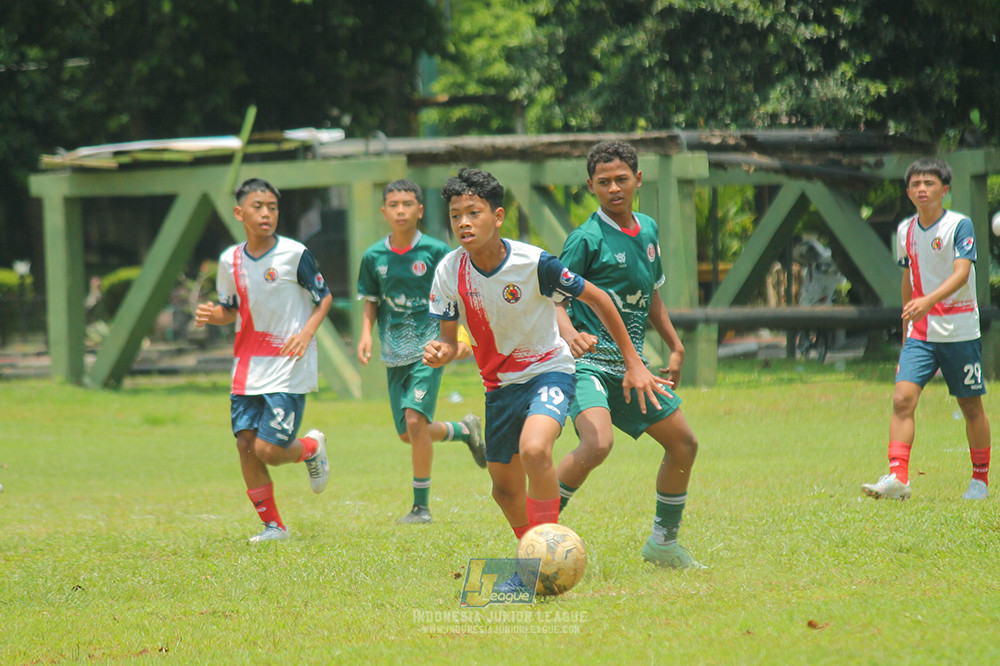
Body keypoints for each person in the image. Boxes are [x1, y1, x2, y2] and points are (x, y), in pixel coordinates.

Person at [423, 167, 670, 543]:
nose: (463, 223)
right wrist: (443, 352)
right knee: (503, 490)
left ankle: (547, 551)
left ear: (498, 216)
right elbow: (451, 340)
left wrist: (634, 362)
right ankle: (534, 552)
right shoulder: (448, 271)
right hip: (499, 387)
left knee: (536, 449)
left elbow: (599, 298)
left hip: (549, 371)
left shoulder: (534, 263)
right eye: (456, 216)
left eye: (474, 212)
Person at [554, 140, 705, 569]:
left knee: (684, 443)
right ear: (591, 187)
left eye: (622, 179)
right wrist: (569, 335)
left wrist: (675, 346)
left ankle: (662, 543)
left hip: (631, 367)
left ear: (638, 179)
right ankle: (536, 531)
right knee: (598, 442)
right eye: (604, 182)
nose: (614, 188)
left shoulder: (649, 229)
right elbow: (554, 299)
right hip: (587, 364)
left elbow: (650, 296)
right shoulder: (584, 239)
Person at [195, 178, 333, 543]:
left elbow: (324, 298)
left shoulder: (294, 253)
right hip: (247, 369)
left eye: (272, 207)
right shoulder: (231, 260)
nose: (266, 213)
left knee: (269, 450)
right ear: (240, 213)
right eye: (258, 207)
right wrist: (214, 315)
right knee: (245, 445)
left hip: (288, 366)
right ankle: (274, 526)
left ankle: (311, 447)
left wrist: (306, 333)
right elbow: (230, 310)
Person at [357, 179, 486, 525]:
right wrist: (366, 335)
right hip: (394, 351)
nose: (401, 211)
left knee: (415, 422)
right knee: (407, 433)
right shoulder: (373, 257)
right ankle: (463, 430)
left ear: (420, 210)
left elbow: (455, 298)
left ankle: (421, 507)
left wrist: (459, 339)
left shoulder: (434, 252)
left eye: (408, 204)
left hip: (430, 346)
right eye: (395, 205)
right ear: (384, 212)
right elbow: (371, 301)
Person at [862, 157, 991, 501]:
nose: (922, 189)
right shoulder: (905, 230)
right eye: (916, 184)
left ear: (944, 190)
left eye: (930, 183)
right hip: (921, 331)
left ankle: (980, 480)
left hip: (960, 330)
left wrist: (928, 301)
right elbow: (908, 279)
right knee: (903, 399)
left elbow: (962, 273)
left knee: (971, 407)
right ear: (908, 192)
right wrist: (907, 329)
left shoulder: (959, 225)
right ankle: (897, 477)